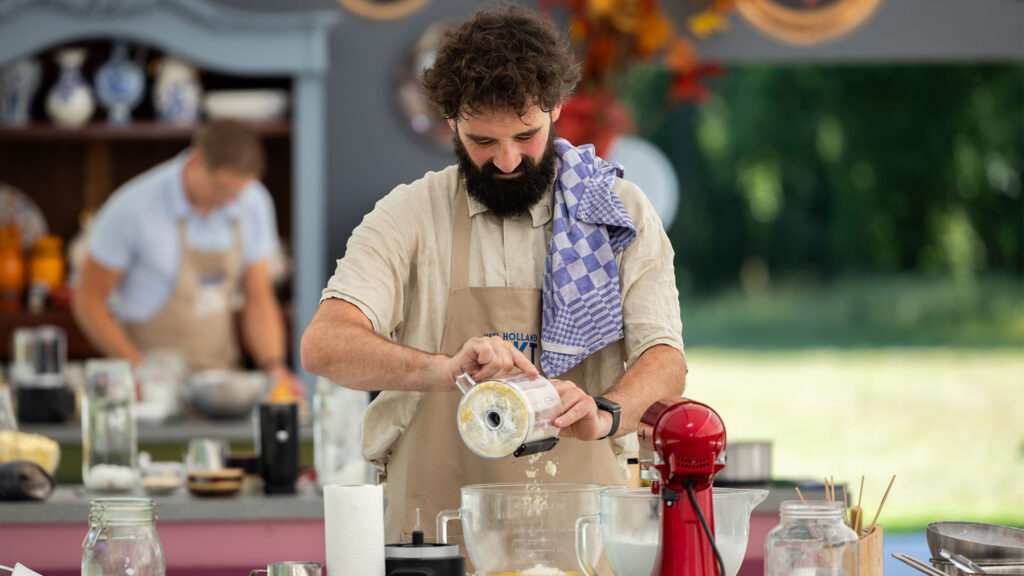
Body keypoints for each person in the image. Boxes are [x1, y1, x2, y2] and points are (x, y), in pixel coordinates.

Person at [301, 3, 686, 546]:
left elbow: (664, 357)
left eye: (525, 136)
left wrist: (604, 411)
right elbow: (323, 345)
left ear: (555, 108)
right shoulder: (407, 215)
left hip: (580, 536)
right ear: (452, 123)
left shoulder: (618, 212)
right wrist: (442, 368)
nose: (507, 161)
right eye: (483, 142)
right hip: (435, 534)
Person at [73, 119, 300, 390]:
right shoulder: (132, 208)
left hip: (220, 379)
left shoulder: (252, 201)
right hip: (150, 383)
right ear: (195, 162)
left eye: (239, 192)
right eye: (222, 188)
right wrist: (135, 369)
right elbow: (88, 301)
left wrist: (274, 367)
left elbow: (258, 297)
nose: (232, 201)